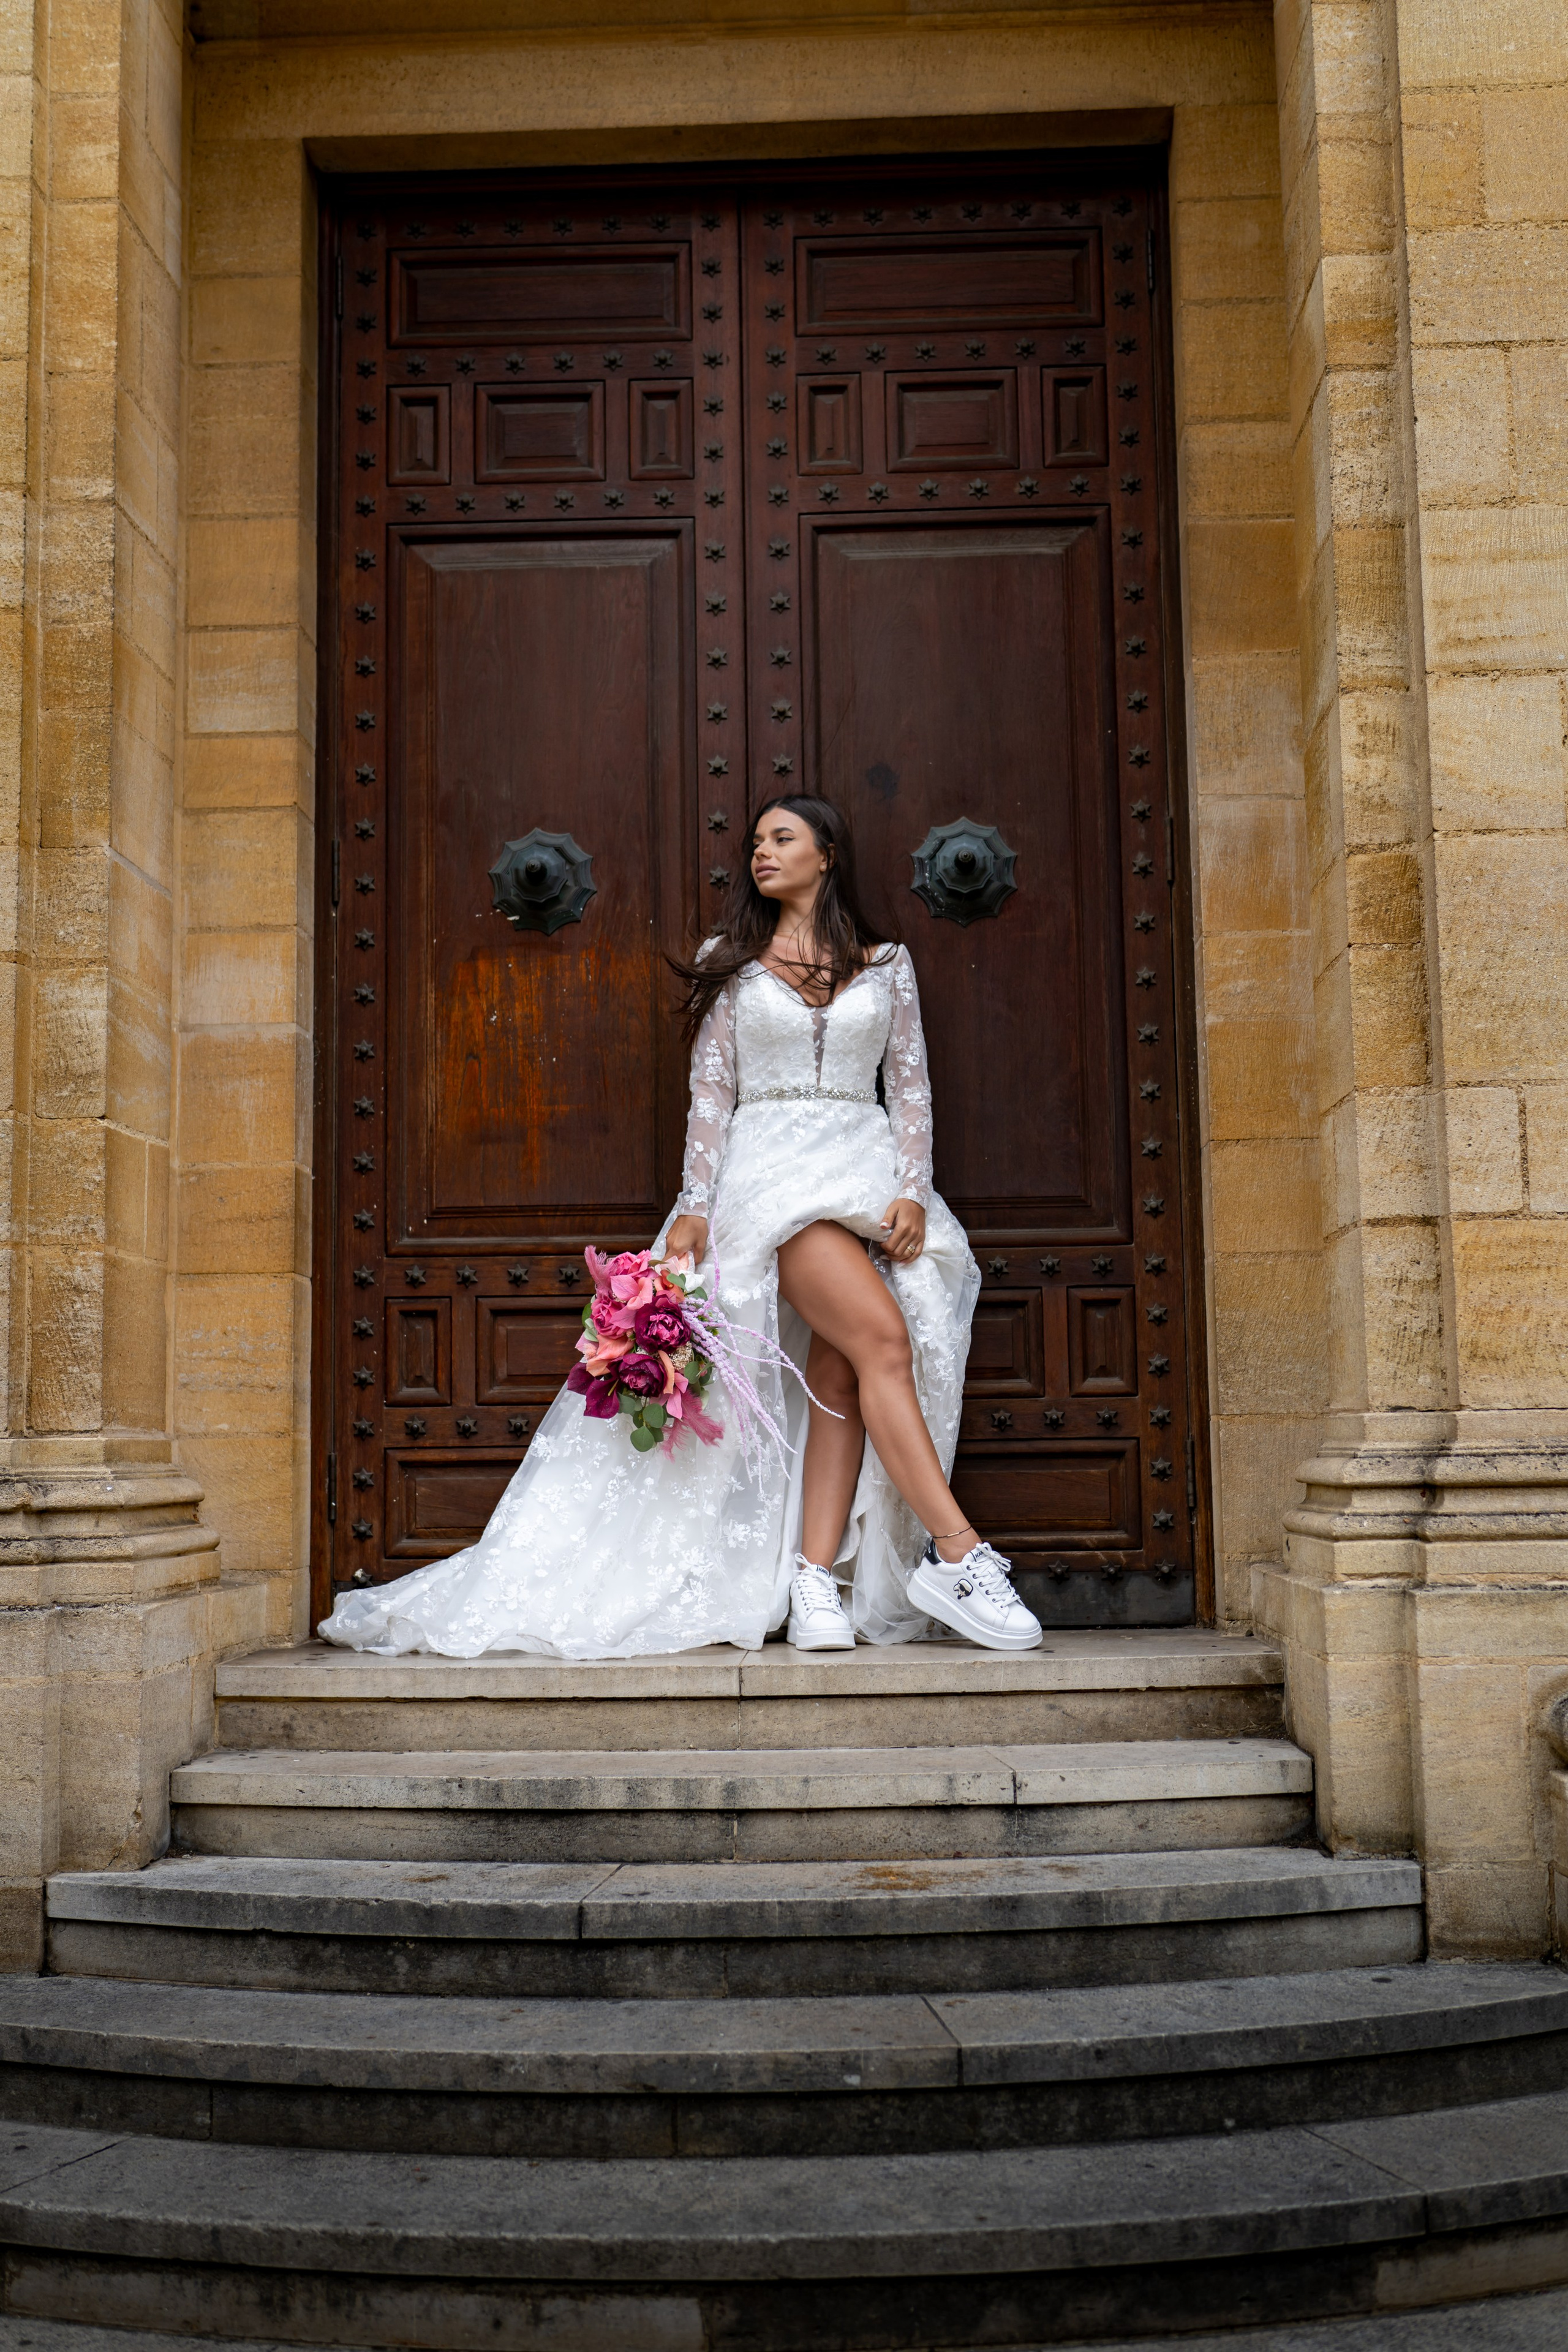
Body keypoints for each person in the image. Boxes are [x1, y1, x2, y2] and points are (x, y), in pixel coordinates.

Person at [319, 795, 1042, 1659]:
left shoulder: (889, 965)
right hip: (774, 1188)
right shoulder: (730, 964)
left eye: (782, 839)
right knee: (882, 1342)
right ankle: (958, 1554)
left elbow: (912, 1087)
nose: (762, 854)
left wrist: (915, 1192)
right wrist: (695, 1209)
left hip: (868, 1179)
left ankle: (814, 1581)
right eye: (757, 844)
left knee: (843, 1376)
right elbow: (713, 1095)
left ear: (829, 854)